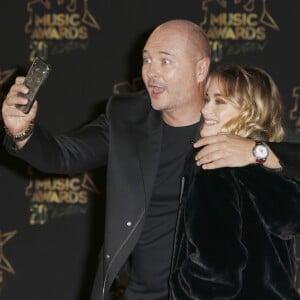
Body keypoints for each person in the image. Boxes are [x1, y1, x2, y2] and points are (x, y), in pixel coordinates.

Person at [2, 20, 300, 300]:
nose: (151, 72)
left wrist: (256, 150)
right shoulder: (126, 118)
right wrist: (22, 131)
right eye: (146, 60)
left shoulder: (230, 125)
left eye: (165, 61)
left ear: (200, 70)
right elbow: (63, 155)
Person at [170, 64, 300, 300]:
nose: (206, 109)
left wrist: (182, 291)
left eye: (220, 101)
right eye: (206, 98)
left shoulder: (213, 165)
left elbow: (216, 271)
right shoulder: (271, 172)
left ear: (251, 110)